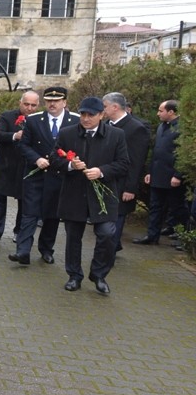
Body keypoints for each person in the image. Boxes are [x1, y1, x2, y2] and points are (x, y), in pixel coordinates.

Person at [52, 97, 129, 295]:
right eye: (83, 114)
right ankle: (74, 275)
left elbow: (123, 164)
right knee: (73, 237)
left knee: (107, 234)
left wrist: (101, 171)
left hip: (103, 195)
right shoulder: (67, 133)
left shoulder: (116, 135)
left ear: (102, 115)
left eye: (91, 115)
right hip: (74, 194)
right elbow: (54, 158)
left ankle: (99, 274)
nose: (86, 119)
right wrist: (70, 165)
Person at [9, 86, 79, 266]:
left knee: (52, 216)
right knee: (29, 213)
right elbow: (24, 145)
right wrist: (37, 159)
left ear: (64, 102)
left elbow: (78, 148)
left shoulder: (75, 121)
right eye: (49, 101)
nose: (52, 104)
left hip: (59, 176)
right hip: (36, 174)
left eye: (56, 101)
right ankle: (23, 251)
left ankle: (46, 249)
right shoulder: (33, 120)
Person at [0, 90, 40, 244]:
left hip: (26, 167)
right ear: (20, 103)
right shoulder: (7, 116)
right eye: (26, 104)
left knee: (24, 201)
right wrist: (14, 136)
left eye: (33, 105)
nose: (29, 108)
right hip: (6, 165)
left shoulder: (39, 120)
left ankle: (19, 232)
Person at [101, 92, 150, 252]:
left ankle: (109, 253)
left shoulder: (136, 128)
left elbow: (136, 161)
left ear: (115, 107)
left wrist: (130, 188)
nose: (103, 110)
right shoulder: (107, 124)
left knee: (117, 218)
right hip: (106, 179)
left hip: (122, 183)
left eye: (105, 106)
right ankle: (110, 247)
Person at [134, 100, 187, 245]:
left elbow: (183, 154)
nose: (158, 114)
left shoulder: (181, 128)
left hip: (172, 177)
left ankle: (185, 239)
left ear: (171, 112)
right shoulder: (161, 127)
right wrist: (150, 171)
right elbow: (156, 151)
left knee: (178, 208)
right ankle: (152, 236)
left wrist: (178, 175)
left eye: (161, 111)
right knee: (155, 207)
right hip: (158, 174)